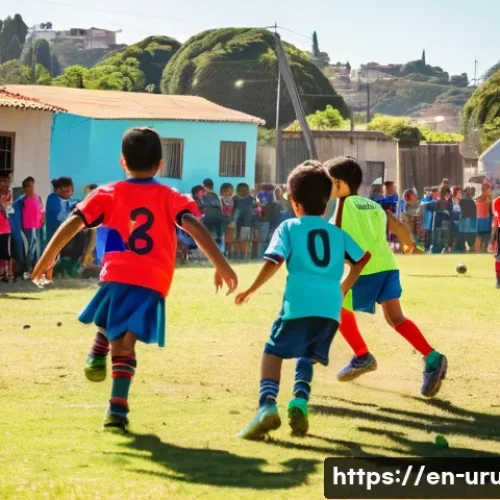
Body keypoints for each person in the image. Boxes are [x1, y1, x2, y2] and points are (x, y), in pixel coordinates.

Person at [32, 127, 238, 432]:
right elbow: (192, 224)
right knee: (126, 343)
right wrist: (222, 264)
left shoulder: (106, 193)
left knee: (121, 340)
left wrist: (46, 258)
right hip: (153, 279)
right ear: (161, 164)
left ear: (122, 161)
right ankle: (117, 407)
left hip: (117, 275)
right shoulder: (171, 196)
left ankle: (103, 360)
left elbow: (74, 223)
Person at [235, 162, 369, 440]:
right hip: (331, 310)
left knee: (272, 352)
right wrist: (343, 288)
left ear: (295, 203)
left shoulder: (289, 227)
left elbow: (274, 261)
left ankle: (267, 406)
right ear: (326, 203)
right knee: (307, 354)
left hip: (299, 305)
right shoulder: (336, 232)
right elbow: (361, 260)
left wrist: (251, 289)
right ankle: (299, 400)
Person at [325, 156, 448, 397]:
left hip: (365, 270)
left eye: (327, 182)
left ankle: (362, 355)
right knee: (396, 318)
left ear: (339, 183)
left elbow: (337, 237)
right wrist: (410, 247)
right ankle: (432, 357)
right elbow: (399, 227)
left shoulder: (341, 206)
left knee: (334, 305)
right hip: (388, 266)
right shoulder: (373, 205)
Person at [11, 177, 45, 279]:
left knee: (37, 250)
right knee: (28, 250)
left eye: (32, 185)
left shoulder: (37, 198)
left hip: (37, 228)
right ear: (24, 188)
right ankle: (25, 270)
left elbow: (41, 211)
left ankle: (35, 270)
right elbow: (15, 214)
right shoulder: (21, 201)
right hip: (27, 229)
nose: (31, 188)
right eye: (28, 186)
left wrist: (42, 219)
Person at [202, 178, 223, 245]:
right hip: (217, 225)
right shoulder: (216, 197)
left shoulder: (206, 197)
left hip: (208, 223)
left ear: (204, 187)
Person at [0, 172, 13, 282]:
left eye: (6, 181)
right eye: (2, 181)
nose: (4, 184)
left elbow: (6, 208)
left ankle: (6, 273)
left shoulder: (8, 195)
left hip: (4, 228)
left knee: (4, 251)